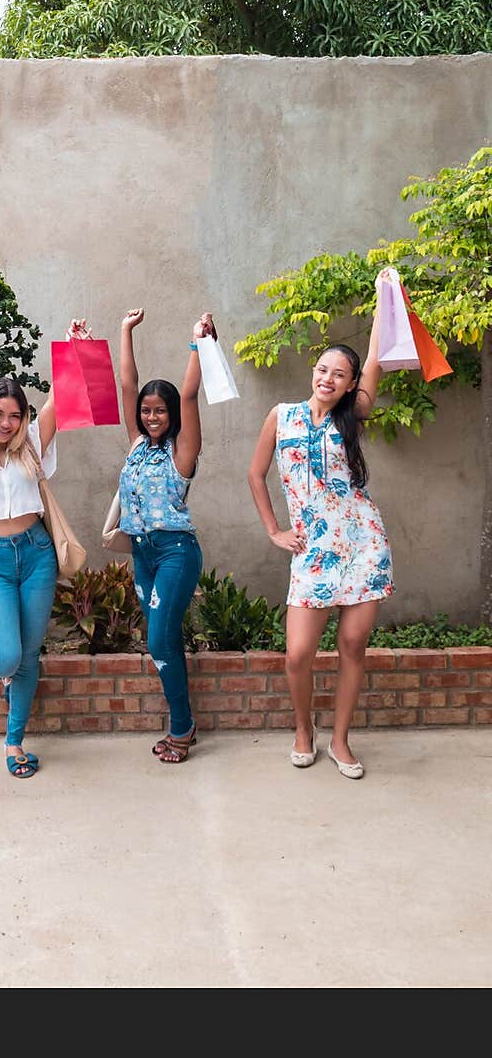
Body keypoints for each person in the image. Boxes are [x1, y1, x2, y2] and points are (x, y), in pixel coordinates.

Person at [247, 272, 394, 779]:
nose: (328, 378)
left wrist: (381, 300)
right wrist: (273, 530)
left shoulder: (353, 415)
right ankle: (304, 728)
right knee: (298, 654)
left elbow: (374, 358)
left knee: (353, 645)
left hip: (362, 546)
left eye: (340, 374)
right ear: (314, 371)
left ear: (350, 384)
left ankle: (341, 740)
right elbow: (255, 473)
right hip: (311, 551)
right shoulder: (281, 416)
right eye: (323, 369)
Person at [0, 306, 87, 779]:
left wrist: (72, 347)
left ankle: (14, 741)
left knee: (29, 654)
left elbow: (60, 401)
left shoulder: (31, 446)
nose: (7, 423)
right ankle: (12, 682)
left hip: (36, 554)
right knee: (6, 656)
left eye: (16, 415)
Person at [116, 307, 214, 765]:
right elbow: (127, 386)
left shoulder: (182, 453)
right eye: (146, 411)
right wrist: (125, 331)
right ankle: (184, 721)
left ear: (171, 415)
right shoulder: (137, 445)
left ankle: (182, 727)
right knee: (166, 640)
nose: (151, 416)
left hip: (176, 553)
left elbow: (191, 395)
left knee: (157, 642)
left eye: (160, 411)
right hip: (143, 554)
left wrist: (197, 342)